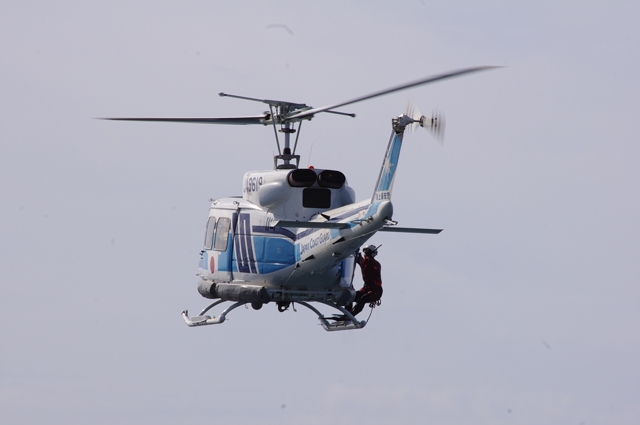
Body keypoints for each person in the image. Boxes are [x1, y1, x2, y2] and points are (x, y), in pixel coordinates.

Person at [348, 244, 383, 316]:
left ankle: (351, 315)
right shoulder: (364, 262)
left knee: (363, 299)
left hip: (375, 291)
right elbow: (359, 259)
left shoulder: (375, 264)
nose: (365, 253)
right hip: (366, 289)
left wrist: (362, 259)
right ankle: (347, 313)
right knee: (350, 297)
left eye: (367, 251)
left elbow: (370, 268)